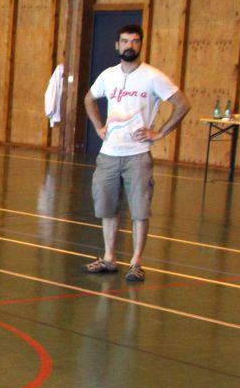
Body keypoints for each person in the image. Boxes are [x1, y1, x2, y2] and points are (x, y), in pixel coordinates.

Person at [81, 24, 190, 282]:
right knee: (107, 207)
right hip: (109, 153)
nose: (130, 45)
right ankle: (108, 258)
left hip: (138, 155)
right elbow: (89, 99)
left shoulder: (152, 76)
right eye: (125, 41)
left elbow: (183, 103)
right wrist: (98, 126)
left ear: (140, 45)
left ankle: (136, 262)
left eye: (135, 41)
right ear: (117, 45)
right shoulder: (108, 75)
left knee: (140, 210)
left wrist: (159, 133)